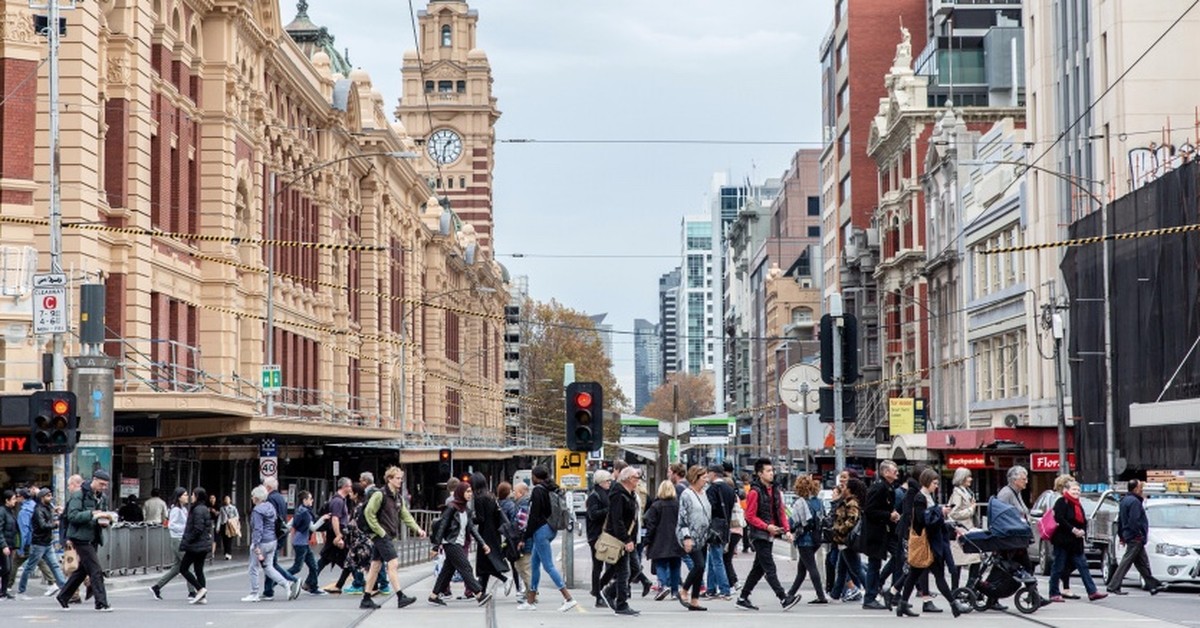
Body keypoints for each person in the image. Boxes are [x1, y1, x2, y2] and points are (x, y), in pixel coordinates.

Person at [894, 469, 963, 618]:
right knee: (936, 575)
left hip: (930, 542)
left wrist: (940, 512)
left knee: (913, 575)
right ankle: (953, 604)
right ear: (927, 482)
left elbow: (928, 517)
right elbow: (923, 520)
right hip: (927, 543)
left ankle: (902, 604)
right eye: (934, 483)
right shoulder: (920, 498)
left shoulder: (927, 496)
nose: (936, 486)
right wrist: (940, 512)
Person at [737, 458, 800, 611]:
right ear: (760, 474)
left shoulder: (775, 490)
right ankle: (783, 598)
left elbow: (781, 512)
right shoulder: (754, 492)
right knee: (769, 567)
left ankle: (743, 597)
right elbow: (749, 516)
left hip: (770, 533)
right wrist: (767, 526)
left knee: (758, 568)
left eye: (772, 471)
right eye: (768, 471)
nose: (772, 474)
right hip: (759, 534)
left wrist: (787, 530)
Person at [360, 466, 424, 610]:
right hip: (382, 535)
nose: (400, 481)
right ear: (389, 479)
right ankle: (401, 597)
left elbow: (405, 515)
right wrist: (380, 531)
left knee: (375, 566)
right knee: (393, 564)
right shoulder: (379, 495)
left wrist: (417, 529)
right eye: (397, 478)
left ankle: (366, 599)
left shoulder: (397, 497)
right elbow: (369, 513)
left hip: (385, 535)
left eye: (401, 478)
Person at [519, 465, 578, 612]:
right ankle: (530, 600)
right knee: (534, 564)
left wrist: (524, 536)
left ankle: (568, 598)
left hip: (541, 531)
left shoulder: (538, 490)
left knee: (548, 566)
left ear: (536, 477)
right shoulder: (551, 488)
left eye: (532, 476)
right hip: (550, 529)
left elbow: (533, 516)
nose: (531, 479)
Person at [56, 469, 114, 612]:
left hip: (94, 536)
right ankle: (101, 603)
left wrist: (107, 519)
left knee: (82, 570)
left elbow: (103, 513)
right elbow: (72, 516)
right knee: (95, 570)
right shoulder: (79, 495)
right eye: (101, 484)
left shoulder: (102, 497)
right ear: (94, 480)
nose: (103, 487)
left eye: (106, 485)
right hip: (80, 537)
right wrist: (91, 514)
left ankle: (63, 596)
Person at [429, 482, 493, 607]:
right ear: (460, 492)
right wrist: (436, 546)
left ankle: (434, 596)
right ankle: (479, 594)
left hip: (458, 543)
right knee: (466, 567)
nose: (470, 494)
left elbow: (472, 529)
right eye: (467, 491)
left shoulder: (466, 510)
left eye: (470, 491)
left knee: (447, 571)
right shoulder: (452, 507)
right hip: (451, 543)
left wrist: (483, 544)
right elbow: (442, 526)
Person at [1048, 481, 1107, 602]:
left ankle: (1092, 592)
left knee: (1083, 566)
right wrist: (1073, 529)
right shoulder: (1061, 502)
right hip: (1063, 541)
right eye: (1073, 490)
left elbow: (1083, 521)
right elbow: (1059, 518)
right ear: (1066, 490)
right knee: (1058, 567)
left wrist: (1083, 531)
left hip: (1076, 543)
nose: (1076, 492)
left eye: (1078, 490)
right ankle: (1053, 593)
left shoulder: (1078, 504)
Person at [1106, 479, 1165, 595]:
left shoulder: (1125, 501)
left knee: (1142, 563)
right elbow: (1134, 520)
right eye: (1140, 487)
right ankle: (1113, 585)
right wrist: (1139, 534)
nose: (1142, 489)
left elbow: (1121, 520)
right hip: (1135, 537)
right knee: (1127, 562)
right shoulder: (1135, 502)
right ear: (1136, 489)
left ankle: (1152, 586)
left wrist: (1122, 535)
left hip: (1131, 535)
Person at [597, 467, 641, 616]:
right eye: (636, 477)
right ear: (628, 479)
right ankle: (621, 604)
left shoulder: (630, 493)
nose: (638, 480)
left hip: (628, 539)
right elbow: (617, 519)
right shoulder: (618, 494)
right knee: (624, 571)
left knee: (635, 569)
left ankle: (608, 591)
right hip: (618, 539)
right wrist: (626, 539)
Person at [242, 485, 297, 602]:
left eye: (253, 496)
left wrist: (255, 545)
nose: (251, 498)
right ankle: (286, 584)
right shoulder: (270, 507)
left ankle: (254, 593)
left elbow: (258, 529)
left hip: (261, 542)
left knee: (253, 567)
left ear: (257, 498)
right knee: (269, 567)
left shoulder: (257, 510)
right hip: (272, 541)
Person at [862, 460, 901, 610]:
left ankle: (891, 591)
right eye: (894, 470)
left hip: (885, 531)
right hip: (876, 532)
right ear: (885, 473)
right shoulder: (879, 488)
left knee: (899, 556)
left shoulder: (888, 488)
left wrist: (892, 516)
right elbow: (869, 510)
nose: (897, 472)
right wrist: (888, 515)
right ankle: (870, 596)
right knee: (874, 564)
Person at [17, 489, 67, 599]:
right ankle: (21, 591)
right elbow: (42, 525)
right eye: (48, 496)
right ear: (42, 497)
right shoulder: (38, 510)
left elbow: (51, 516)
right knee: (30, 567)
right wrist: (55, 525)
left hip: (47, 542)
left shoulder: (48, 507)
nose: (51, 497)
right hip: (39, 543)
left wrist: (58, 513)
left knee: (54, 565)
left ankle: (65, 588)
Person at [786, 475, 829, 604]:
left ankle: (821, 596)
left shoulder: (800, 503)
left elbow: (794, 522)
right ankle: (790, 593)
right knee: (802, 569)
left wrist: (787, 528)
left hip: (804, 539)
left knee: (811, 567)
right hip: (816, 538)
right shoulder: (818, 502)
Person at [675, 465, 711, 612]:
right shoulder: (686, 494)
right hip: (690, 534)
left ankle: (695, 600)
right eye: (703, 477)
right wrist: (686, 537)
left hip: (703, 535)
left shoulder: (704, 493)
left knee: (701, 568)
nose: (706, 480)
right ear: (695, 478)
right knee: (699, 565)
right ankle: (684, 590)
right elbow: (683, 517)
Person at [150, 488, 197, 601]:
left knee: (177, 568)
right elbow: (172, 525)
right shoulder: (175, 510)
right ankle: (192, 592)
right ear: (179, 497)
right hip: (178, 540)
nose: (187, 497)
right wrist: (185, 529)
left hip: (181, 539)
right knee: (188, 565)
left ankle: (157, 587)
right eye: (185, 495)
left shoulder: (183, 509)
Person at [470, 473, 510, 595]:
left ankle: (505, 579)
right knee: (485, 563)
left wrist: (469, 519)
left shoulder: (478, 497)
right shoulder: (491, 496)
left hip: (484, 533)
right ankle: (481, 591)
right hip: (494, 532)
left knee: (484, 563)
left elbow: (481, 518)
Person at [644, 480, 683, 601]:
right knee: (675, 566)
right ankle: (675, 591)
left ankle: (663, 585)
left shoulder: (656, 506)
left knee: (660, 564)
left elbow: (651, 525)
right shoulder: (678, 505)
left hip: (659, 539)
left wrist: (647, 541)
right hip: (676, 539)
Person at [261, 477, 299, 601]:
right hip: (280, 533)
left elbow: (271, 518)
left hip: (273, 534)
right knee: (271, 563)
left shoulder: (270, 499)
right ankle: (268, 590)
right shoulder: (280, 498)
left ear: (268, 487)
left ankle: (293, 580)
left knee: (271, 564)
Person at [287, 490, 327, 595]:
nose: (312, 501)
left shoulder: (299, 511)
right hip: (301, 543)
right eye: (310, 499)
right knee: (297, 567)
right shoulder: (305, 513)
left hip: (301, 542)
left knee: (314, 566)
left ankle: (313, 587)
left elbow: (289, 525)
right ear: (305, 500)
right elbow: (313, 528)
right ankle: (277, 578)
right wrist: (323, 518)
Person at [705, 464, 735, 600]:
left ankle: (724, 589)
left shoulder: (712, 489)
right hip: (725, 526)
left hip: (715, 527)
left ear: (714, 474)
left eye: (708, 473)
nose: (707, 476)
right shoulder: (729, 489)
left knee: (717, 559)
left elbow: (710, 509)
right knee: (713, 558)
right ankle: (711, 588)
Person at [947, 468, 981, 590]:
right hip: (961, 532)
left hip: (968, 531)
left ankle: (968, 587)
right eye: (968, 477)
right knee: (959, 563)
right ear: (962, 478)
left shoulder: (966, 491)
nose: (970, 479)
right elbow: (953, 513)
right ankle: (956, 589)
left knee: (975, 560)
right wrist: (971, 510)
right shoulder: (957, 494)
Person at [178, 487, 213, 604]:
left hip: (195, 545)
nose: (191, 497)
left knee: (183, 568)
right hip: (202, 544)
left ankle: (200, 589)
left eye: (193, 495)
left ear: (197, 496)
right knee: (198, 570)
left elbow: (197, 528)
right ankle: (202, 596)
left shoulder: (197, 510)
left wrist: (188, 539)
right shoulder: (204, 509)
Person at [318, 478, 354, 592]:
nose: (351, 488)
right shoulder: (338, 501)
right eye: (349, 486)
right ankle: (359, 581)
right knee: (348, 559)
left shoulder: (340, 500)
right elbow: (335, 519)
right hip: (337, 532)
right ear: (344, 487)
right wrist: (339, 536)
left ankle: (311, 582)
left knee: (327, 558)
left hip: (337, 532)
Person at [584, 469, 612, 606]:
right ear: (600, 482)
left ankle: (598, 589)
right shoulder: (594, 496)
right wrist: (609, 511)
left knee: (609, 564)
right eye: (607, 480)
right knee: (598, 566)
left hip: (604, 535)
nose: (609, 483)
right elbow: (593, 515)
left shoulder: (605, 494)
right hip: (596, 536)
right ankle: (598, 593)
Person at [508, 482, 533, 596]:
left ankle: (531, 593)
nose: (513, 494)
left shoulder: (523, 505)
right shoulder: (525, 503)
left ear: (521, 493)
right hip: (525, 540)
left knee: (524, 567)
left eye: (515, 491)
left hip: (524, 541)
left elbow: (521, 525)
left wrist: (520, 540)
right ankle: (529, 592)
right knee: (520, 566)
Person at [0, 490, 17, 600]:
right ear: (7, 500)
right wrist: (3, 545)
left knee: (9, 568)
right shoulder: (2, 512)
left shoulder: (10, 511)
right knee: (6, 568)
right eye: (13, 499)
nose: (15, 501)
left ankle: (4, 591)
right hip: (4, 544)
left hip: (10, 543)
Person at [216, 495, 239, 560]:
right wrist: (218, 527)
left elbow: (237, 516)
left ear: (230, 500)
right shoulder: (222, 508)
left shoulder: (233, 508)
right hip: (224, 524)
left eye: (228, 499)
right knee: (224, 540)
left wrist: (232, 520)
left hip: (230, 525)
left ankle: (229, 553)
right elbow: (220, 518)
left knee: (229, 539)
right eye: (225, 499)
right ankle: (226, 552)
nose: (227, 500)